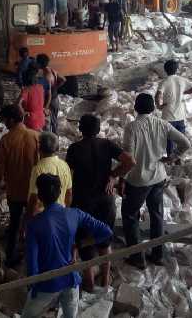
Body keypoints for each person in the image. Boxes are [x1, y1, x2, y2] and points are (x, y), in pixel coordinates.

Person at [21, 174, 113, 318]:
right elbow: (106, 232)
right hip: (71, 280)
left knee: (27, 315)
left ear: (39, 195)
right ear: (59, 193)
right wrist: (81, 244)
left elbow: (32, 265)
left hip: (47, 284)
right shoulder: (74, 214)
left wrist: (33, 288)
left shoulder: (33, 225)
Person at [121, 93, 191, 269]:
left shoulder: (131, 127)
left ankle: (137, 257)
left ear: (135, 108)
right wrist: (172, 158)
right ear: (153, 108)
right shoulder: (162, 124)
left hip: (138, 179)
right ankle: (157, 255)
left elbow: (129, 158)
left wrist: (121, 177)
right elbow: (186, 143)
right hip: (159, 177)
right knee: (156, 215)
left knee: (130, 216)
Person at [65, 115, 135, 290]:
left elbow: (68, 176)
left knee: (84, 246)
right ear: (98, 130)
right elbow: (130, 161)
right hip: (106, 200)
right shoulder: (107, 144)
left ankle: (88, 284)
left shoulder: (74, 149)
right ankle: (105, 281)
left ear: (81, 129)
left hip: (83, 202)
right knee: (104, 242)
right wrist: (113, 175)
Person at [0, 105, 40, 268]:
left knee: (14, 224)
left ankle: (10, 257)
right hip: (34, 192)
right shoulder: (35, 136)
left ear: (11, 119)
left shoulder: (6, 140)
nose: (3, 123)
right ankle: (34, 256)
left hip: (15, 192)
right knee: (33, 222)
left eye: (4, 120)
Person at [156, 60, 192, 149]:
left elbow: (158, 95)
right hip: (180, 116)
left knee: (169, 139)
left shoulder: (164, 82)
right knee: (181, 140)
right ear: (177, 69)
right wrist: (184, 92)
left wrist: (159, 106)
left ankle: (170, 158)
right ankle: (178, 158)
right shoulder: (182, 80)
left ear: (165, 70)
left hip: (168, 116)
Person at [27, 131, 73, 216]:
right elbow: (69, 193)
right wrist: (66, 211)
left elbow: (34, 198)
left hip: (43, 215)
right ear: (56, 148)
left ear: (39, 148)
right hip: (60, 212)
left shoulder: (38, 169)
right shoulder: (64, 165)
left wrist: (28, 218)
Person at [36, 54, 65, 133]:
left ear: (40, 63)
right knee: (54, 121)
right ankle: (55, 138)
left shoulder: (46, 76)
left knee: (48, 122)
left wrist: (45, 107)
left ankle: (51, 139)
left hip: (50, 101)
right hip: (55, 99)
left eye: (37, 62)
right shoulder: (52, 70)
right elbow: (63, 79)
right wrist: (55, 87)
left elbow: (49, 95)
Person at [18, 67, 47, 132]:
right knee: (39, 136)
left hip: (31, 118)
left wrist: (23, 113)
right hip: (41, 117)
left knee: (32, 138)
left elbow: (18, 103)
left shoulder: (27, 90)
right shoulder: (41, 87)